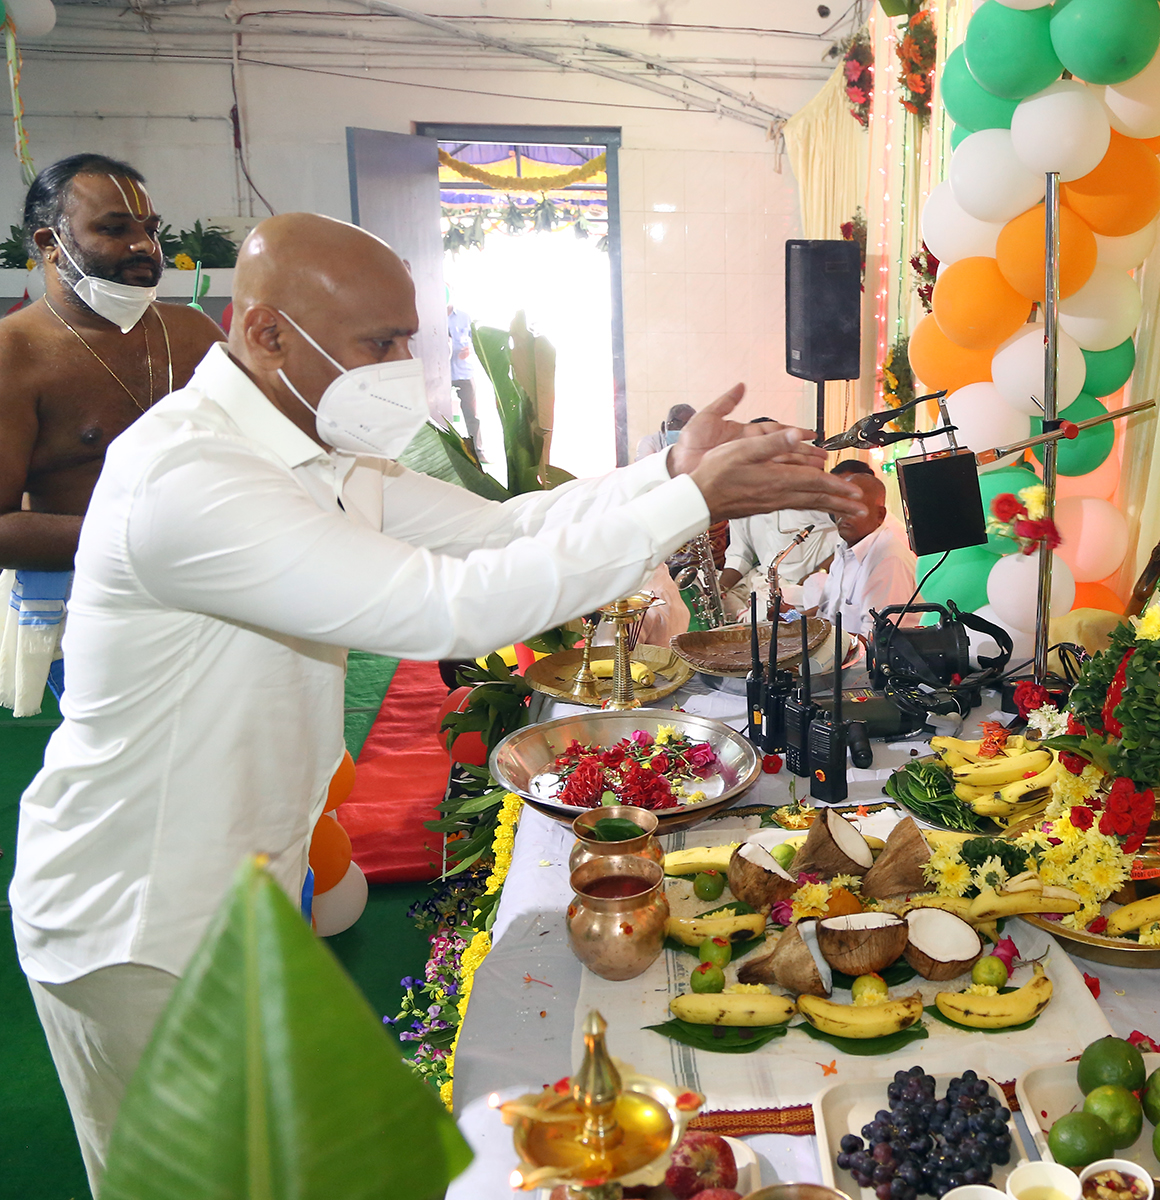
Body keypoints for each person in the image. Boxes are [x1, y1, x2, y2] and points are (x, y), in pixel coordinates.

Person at [8, 211, 866, 1191]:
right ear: (267, 333)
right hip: (135, 918)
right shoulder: (191, 478)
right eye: (379, 344)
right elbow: (447, 608)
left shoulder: (317, 449)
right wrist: (690, 505)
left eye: (410, 338)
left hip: (234, 892)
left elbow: (501, 529)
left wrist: (670, 473)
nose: (402, 369)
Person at [0, 153, 224, 714]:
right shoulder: (12, 355)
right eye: (114, 228)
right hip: (95, 616)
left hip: (219, 593)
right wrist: (144, 542)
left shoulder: (193, 331)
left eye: (149, 229)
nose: (146, 246)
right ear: (51, 242)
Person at [718, 416, 839, 616]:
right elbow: (740, 554)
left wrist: (816, 575)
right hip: (766, 588)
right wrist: (720, 589)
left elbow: (851, 536)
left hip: (809, 593)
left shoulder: (809, 489)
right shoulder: (740, 499)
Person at [814, 459, 917, 640]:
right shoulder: (845, 549)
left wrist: (815, 641)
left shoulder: (888, 560)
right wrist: (790, 620)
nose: (843, 515)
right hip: (838, 658)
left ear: (880, 515)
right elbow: (825, 614)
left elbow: (875, 642)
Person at [447, 299, 480, 458]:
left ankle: (478, 452)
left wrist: (470, 350)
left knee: (472, 414)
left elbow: (476, 342)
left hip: (464, 372)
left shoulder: (464, 317)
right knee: (442, 416)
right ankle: (449, 454)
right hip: (441, 375)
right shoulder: (431, 318)